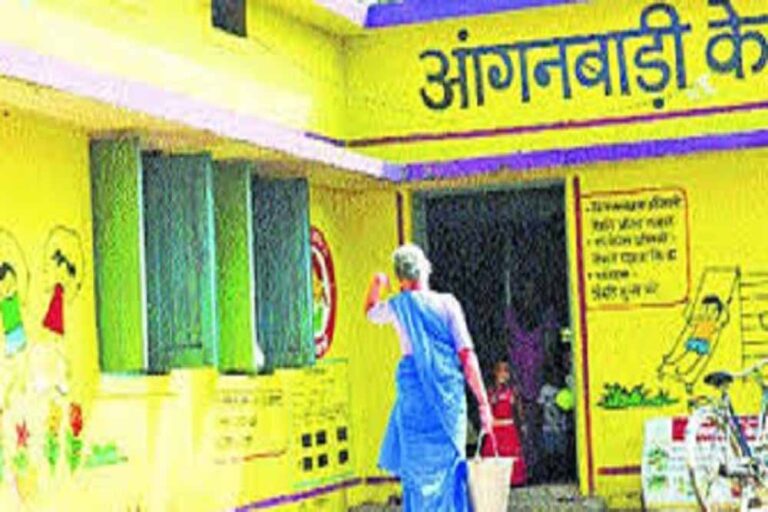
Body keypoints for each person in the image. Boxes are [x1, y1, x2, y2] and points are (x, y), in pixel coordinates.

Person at [365, 244, 493, 511]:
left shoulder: (398, 307)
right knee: (450, 471)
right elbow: (467, 356)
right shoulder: (448, 304)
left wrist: (377, 282)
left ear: (401, 278)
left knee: (417, 475)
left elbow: (370, 311)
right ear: (426, 269)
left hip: (414, 404)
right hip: (448, 402)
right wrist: (483, 403)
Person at [481, 360, 527, 486]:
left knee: (510, 454)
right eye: (500, 371)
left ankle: (514, 480)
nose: (503, 374)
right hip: (495, 428)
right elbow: (486, 410)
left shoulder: (513, 392)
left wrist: (522, 425)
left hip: (508, 429)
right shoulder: (491, 392)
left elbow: (519, 411)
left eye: (506, 371)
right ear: (495, 373)